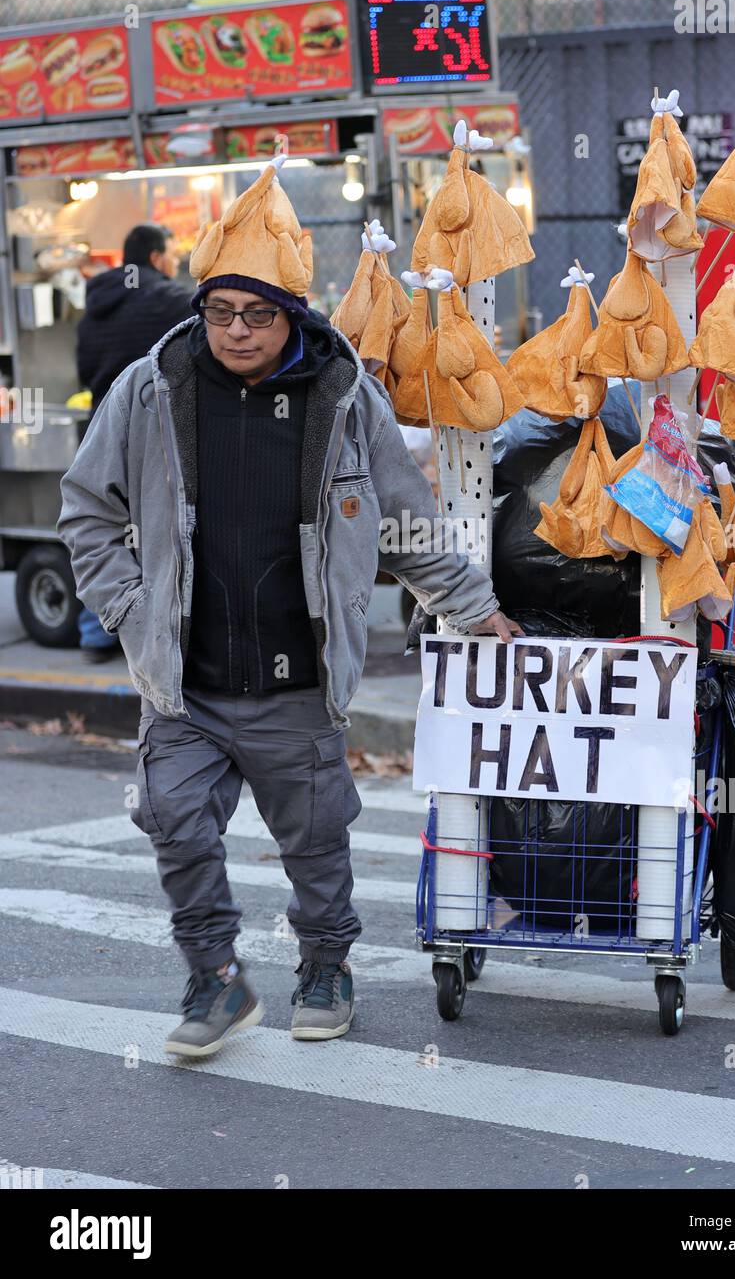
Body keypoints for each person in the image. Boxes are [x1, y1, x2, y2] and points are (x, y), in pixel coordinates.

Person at [57, 157, 524, 1057]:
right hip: (183, 680)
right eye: (220, 311)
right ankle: (215, 979)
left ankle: (325, 964)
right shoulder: (152, 389)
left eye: (258, 314)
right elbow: (88, 508)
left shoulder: (343, 399)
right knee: (176, 825)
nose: (237, 330)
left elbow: (404, 521)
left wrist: (475, 607)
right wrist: (128, 609)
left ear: (292, 315)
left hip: (296, 677)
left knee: (314, 840)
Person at [74, 223, 193, 661]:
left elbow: (86, 373)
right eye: (173, 254)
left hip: (100, 434)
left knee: (102, 526)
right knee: (156, 533)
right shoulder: (170, 302)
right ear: (158, 258)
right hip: (154, 434)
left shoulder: (95, 307)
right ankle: (152, 627)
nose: (176, 262)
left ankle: (94, 632)